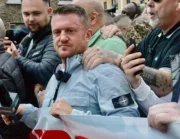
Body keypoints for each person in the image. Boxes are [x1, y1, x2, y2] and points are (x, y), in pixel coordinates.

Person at [2, 4, 139, 127]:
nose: (62, 38)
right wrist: (26, 112)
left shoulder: (106, 72)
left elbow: (128, 125)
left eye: (70, 31)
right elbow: (53, 120)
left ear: (87, 35)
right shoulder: (57, 74)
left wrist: (74, 116)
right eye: (57, 32)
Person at [82, 0, 180, 116]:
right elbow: (134, 57)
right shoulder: (157, 33)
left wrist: (118, 59)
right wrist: (121, 35)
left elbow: (166, 84)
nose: (149, 3)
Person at [2, 0, 61, 139]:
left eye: (36, 13)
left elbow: (45, 72)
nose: (30, 19)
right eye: (26, 14)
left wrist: (17, 57)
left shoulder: (54, 37)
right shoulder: (30, 36)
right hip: (27, 116)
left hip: (43, 121)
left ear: (49, 12)